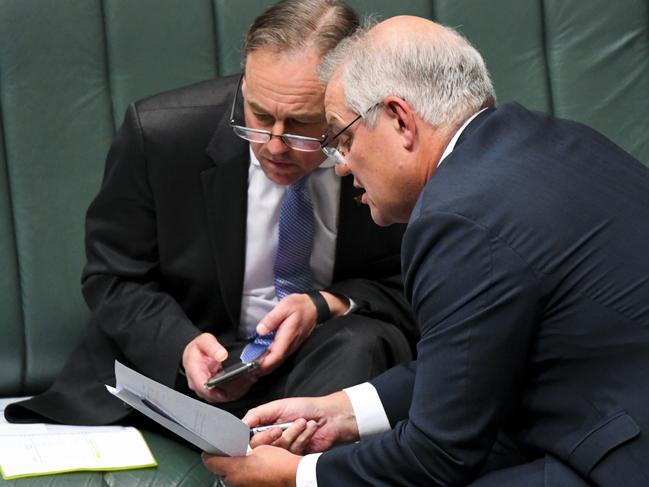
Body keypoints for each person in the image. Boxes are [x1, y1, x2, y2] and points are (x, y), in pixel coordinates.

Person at [202, 15, 649, 487]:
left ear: (400, 120)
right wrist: (340, 412)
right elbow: (469, 364)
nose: (341, 166)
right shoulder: (548, 139)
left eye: (345, 138)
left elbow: (438, 456)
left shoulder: (457, 218)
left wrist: (296, 476)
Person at [5, 0, 417, 427]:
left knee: (363, 342)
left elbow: (414, 281)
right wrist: (182, 347)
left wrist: (326, 304)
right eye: (258, 113)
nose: (274, 145)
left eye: (301, 123)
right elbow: (113, 276)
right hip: (184, 372)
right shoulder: (160, 137)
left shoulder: (388, 150)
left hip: (325, 365)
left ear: (345, 102)